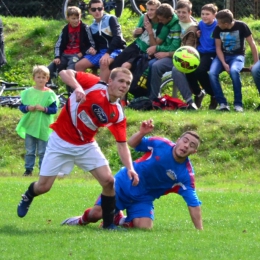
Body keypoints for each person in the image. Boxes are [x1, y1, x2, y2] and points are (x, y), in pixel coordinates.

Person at [17, 67, 139, 230]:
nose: (124, 85)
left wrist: (130, 168)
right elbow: (63, 72)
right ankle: (29, 195)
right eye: (121, 81)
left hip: (85, 145)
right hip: (60, 141)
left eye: (128, 83)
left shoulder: (117, 113)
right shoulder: (94, 84)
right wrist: (78, 87)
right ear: (110, 81)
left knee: (109, 181)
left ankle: (109, 225)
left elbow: (122, 143)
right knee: (43, 187)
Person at [62, 119, 203, 230]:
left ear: (194, 152)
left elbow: (193, 203)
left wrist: (199, 231)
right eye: (185, 141)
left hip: (144, 198)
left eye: (191, 145)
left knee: (144, 227)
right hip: (124, 183)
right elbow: (132, 143)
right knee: (96, 215)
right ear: (178, 140)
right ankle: (81, 220)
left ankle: (119, 219)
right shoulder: (161, 144)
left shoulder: (186, 175)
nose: (186, 146)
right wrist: (142, 132)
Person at [209, 9, 259, 112]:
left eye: (219, 22)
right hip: (222, 57)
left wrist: (256, 62)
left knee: (234, 71)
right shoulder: (218, 29)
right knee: (212, 73)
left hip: (237, 56)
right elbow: (218, 48)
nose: (217, 24)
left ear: (226, 24)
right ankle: (222, 104)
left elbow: (252, 44)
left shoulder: (242, 26)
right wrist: (223, 63)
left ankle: (238, 104)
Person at [16, 65, 58, 176]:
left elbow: (54, 109)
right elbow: (21, 107)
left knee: (42, 151)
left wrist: (44, 109)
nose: (41, 79)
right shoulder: (28, 92)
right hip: (31, 125)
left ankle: (43, 171)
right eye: (38, 77)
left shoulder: (50, 94)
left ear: (47, 79)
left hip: (43, 126)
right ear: (34, 78)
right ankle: (28, 170)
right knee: (30, 150)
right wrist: (27, 108)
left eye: (43, 77)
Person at [47, 6, 95, 95]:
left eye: (78, 18)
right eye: (73, 18)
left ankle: (72, 94)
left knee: (70, 72)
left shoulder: (84, 28)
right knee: (48, 69)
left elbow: (91, 44)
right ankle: (48, 92)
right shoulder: (65, 29)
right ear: (68, 18)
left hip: (77, 55)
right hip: (65, 54)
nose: (76, 20)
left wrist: (82, 53)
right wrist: (57, 56)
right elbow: (58, 44)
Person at [75, 0, 126, 83]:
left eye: (99, 9)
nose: (97, 12)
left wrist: (107, 53)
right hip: (100, 52)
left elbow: (117, 37)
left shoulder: (111, 19)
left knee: (104, 62)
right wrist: (92, 49)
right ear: (90, 11)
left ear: (103, 8)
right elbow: (93, 44)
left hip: (115, 50)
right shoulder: (92, 26)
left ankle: (102, 90)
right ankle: (84, 91)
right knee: (78, 65)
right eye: (94, 9)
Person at [185, 3, 219, 110]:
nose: (204, 16)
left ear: (214, 15)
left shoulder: (218, 25)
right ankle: (198, 93)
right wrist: (198, 35)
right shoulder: (201, 23)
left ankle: (214, 94)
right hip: (199, 52)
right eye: (202, 14)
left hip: (212, 53)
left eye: (207, 14)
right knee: (188, 68)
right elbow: (198, 34)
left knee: (200, 70)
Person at [145, 3, 181, 101]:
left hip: (175, 56)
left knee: (155, 66)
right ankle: (148, 94)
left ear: (169, 18)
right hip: (167, 53)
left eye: (161, 20)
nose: (160, 21)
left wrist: (158, 48)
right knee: (150, 63)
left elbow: (174, 47)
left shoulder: (175, 27)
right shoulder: (167, 24)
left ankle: (154, 98)